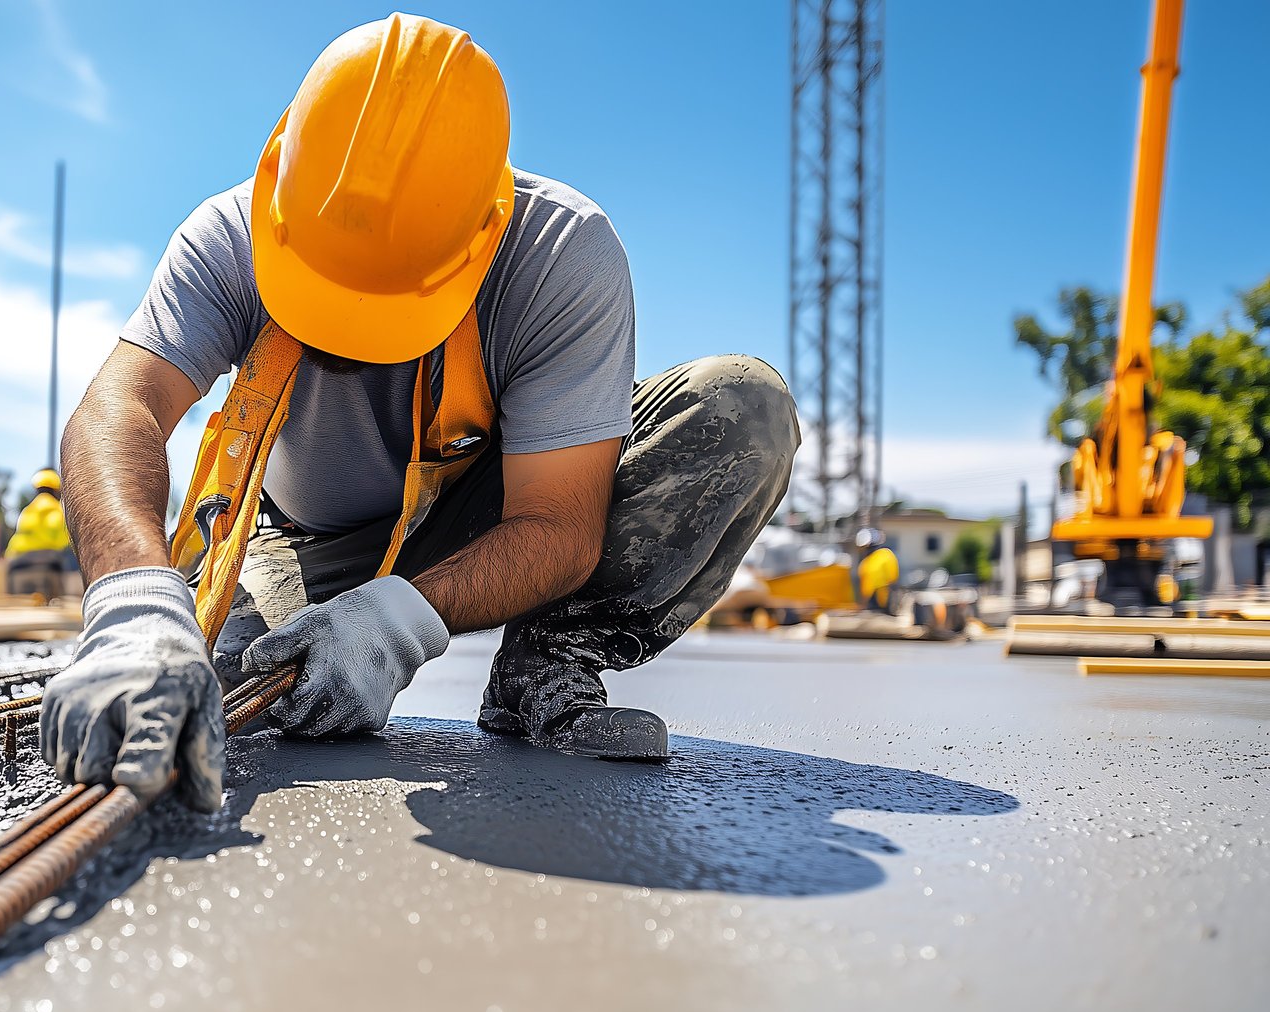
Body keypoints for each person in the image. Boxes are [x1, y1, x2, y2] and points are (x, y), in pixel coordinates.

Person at [43, 13, 799, 811]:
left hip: (500, 509)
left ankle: (548, 660)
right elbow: (117, 409)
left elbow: (560, 523)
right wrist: (134, 597)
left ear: (481, 237)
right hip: (311, 539)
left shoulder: (562, 255)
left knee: (741, 409)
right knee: (227, 687)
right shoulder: (232, 236)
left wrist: (399, 619)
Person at [5, 468, 72, 599]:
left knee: (24, 609)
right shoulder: (57, 510)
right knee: (52, 607)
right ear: (56, 489)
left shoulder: (27, 511)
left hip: (20, 565)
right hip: (48, 565)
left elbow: (17, 539)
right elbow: (64, 540)